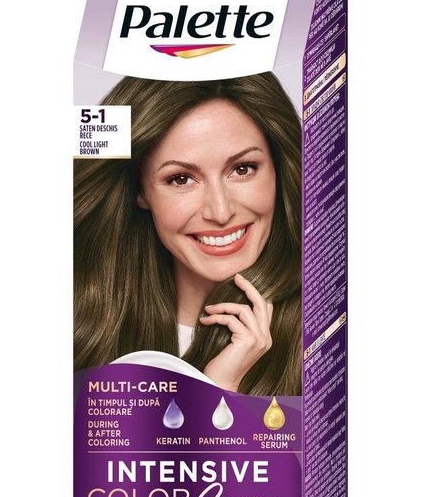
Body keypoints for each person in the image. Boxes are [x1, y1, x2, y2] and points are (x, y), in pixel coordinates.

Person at [74, 72, 302, 396]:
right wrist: (218, 388)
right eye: (181, 179)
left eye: (242, 169)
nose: (220, 212)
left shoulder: (325, 332)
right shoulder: (80, 326)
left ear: (279, 170)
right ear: (140, 190)